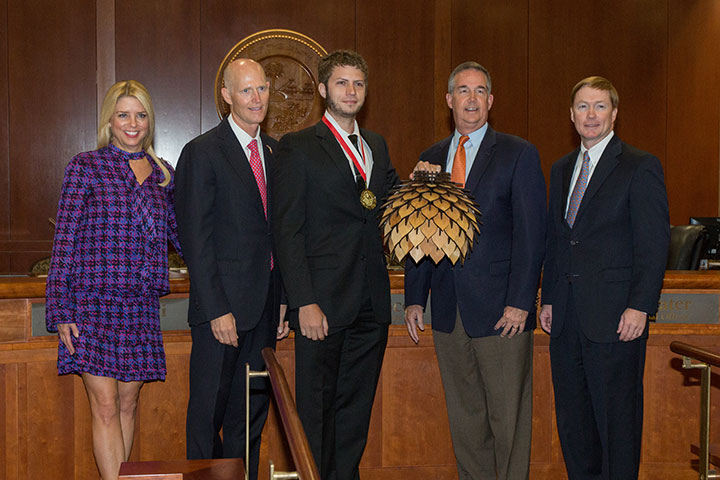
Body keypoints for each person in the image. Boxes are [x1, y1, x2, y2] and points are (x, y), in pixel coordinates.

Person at [404, 62, 547, 480]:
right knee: (466, 422)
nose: (471, 99)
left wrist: (521, 302)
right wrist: (416, 297)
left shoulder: (518, 153)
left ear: (491, 101)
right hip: (449, 312)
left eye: (480, 91)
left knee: (508, 422)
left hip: (503, 312)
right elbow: (419, 233)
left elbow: (531, 235)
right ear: (449, 100)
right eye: (463, 91)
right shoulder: (430, 158)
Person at [273, 50, 399, 480]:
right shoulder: (299, 147)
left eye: (358, 84)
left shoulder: (376, 146)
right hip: (322, 307)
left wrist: (425, 183)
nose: (351, 91)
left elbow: (389, 204)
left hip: (370, 305)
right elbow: (286, 231)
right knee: (316, 411)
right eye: (342, 83)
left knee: (354, 413)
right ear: (324, 90)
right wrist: (302, 302)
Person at [45, 80, 180, 480]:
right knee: (103, 405)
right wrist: (61, 309)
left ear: (150, 121)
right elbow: (64, 240)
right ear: (110, 120)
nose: (132, 123)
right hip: (91, 304)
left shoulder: (163, 175)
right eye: (123, 115)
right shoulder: (85, 166)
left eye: (140, 115)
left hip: (140, 307)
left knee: (127, 403)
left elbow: (182, 236)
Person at [539, 76, 670, 479]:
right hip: (566, 318)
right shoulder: (561, 169)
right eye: (582, 106)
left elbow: (653, 243)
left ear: (614, 114)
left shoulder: (639, 165)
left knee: (617, 427)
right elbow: (559, 239)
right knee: (575, 427)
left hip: (616, 320)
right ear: (571, 115)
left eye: (599, 106)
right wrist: (547, 298)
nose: (590, 115)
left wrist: (640, 306)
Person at [174, 58, 287, 479]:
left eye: (261, 89)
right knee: (207, 414)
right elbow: (195, 242)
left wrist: (284, 302)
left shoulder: (275, 152)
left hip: (265, 308)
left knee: (250, 415)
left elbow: (279, 234)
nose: (256, 98)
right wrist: (216, 308)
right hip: (221, 313)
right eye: (246, 90)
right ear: (226, 96)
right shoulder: (202, 152)